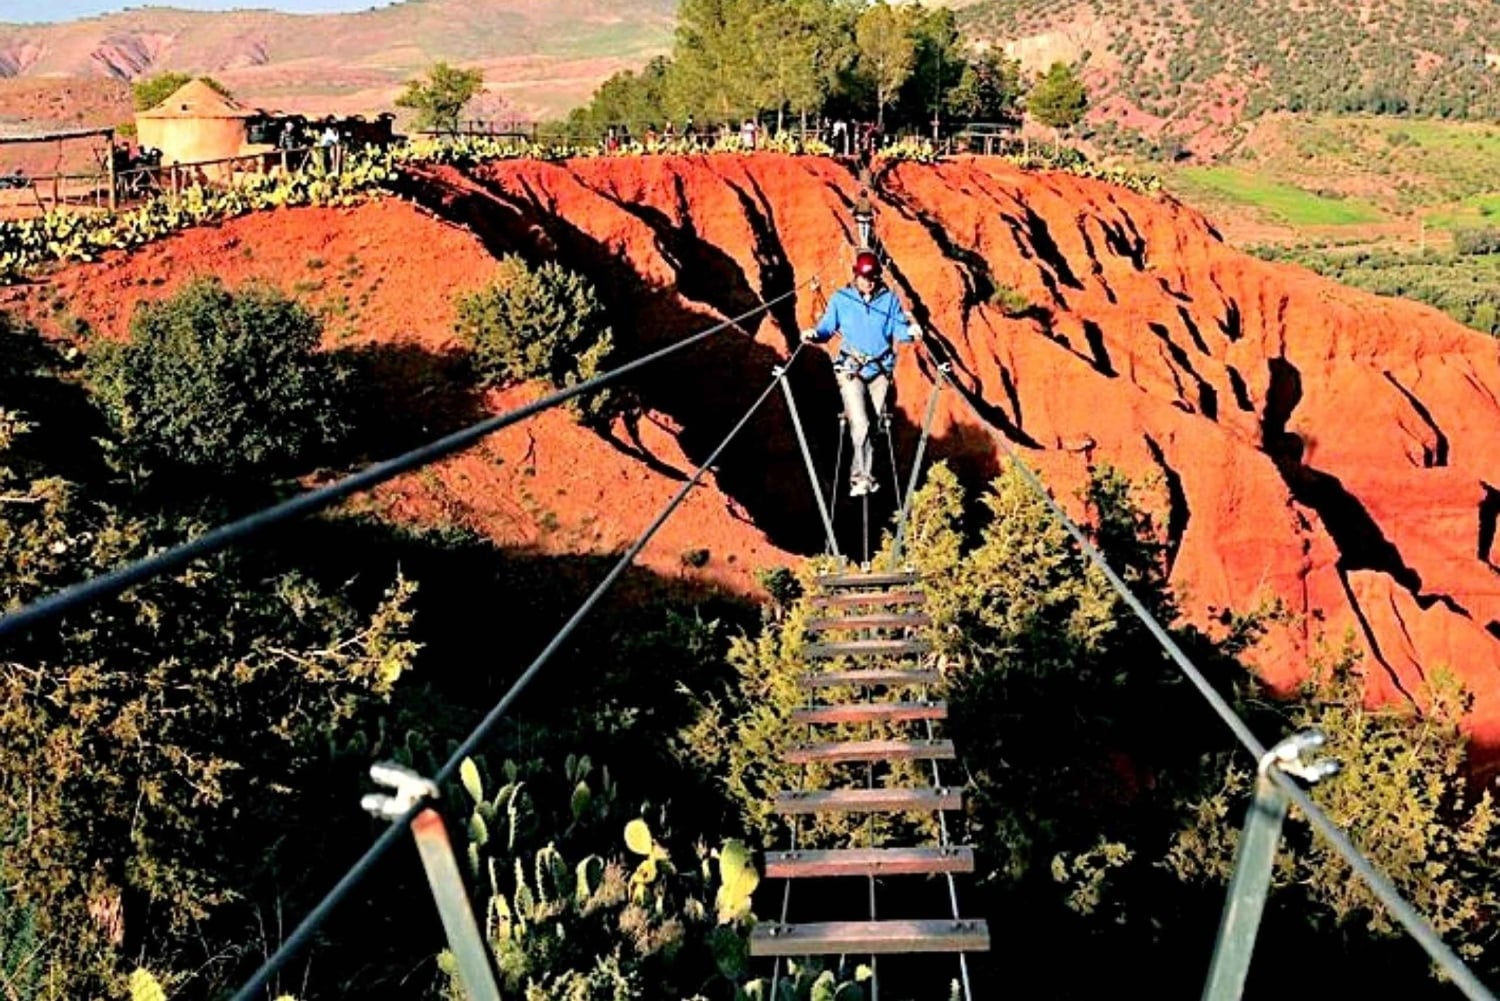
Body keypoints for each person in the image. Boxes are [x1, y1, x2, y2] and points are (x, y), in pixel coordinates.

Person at [801, 251, 921, 498]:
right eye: (864, 277)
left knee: (874, 427)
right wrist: (815, 334)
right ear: (855, 275)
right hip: (850, 369)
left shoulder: (889, 300)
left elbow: (899, 329)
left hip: (879, 371)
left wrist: (912, 332)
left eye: (873, 277)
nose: (869, 281)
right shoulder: (841, 299)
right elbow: (827, 327)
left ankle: (865, 474)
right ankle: (861, 479)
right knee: (861, 424)